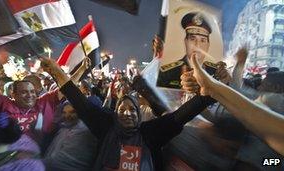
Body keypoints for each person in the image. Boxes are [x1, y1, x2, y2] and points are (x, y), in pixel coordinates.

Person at [40, 57, 217, 171]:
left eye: (132, 109)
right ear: (115, 114)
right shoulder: (106, 128)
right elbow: (80, 102)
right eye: (122, 109)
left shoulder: (150, 133)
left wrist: (207, 95)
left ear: (139, 114)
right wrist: (56, 71)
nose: (128, 113)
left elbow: (180, 116)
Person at [187, 53, 284, 155]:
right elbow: (239, 90)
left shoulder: (273, 99)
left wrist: (212, 87)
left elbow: (239, 93)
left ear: (276, 88)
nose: (259, 87)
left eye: (264, 84)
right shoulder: (262, 100)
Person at [157, 12, 212, 89]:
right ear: (185, 42)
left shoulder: (214, 72)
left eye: (202, 40)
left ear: (208, 45)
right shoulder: (166, 73)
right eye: (192, 39)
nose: (197, 45)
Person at [44, 101, 97, 171]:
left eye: (72, 112)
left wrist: (33, 162)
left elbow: (63, 161)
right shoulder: (64, 128)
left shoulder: (83, 132)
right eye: (64, 112)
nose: (67, 116)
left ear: (80, 113)